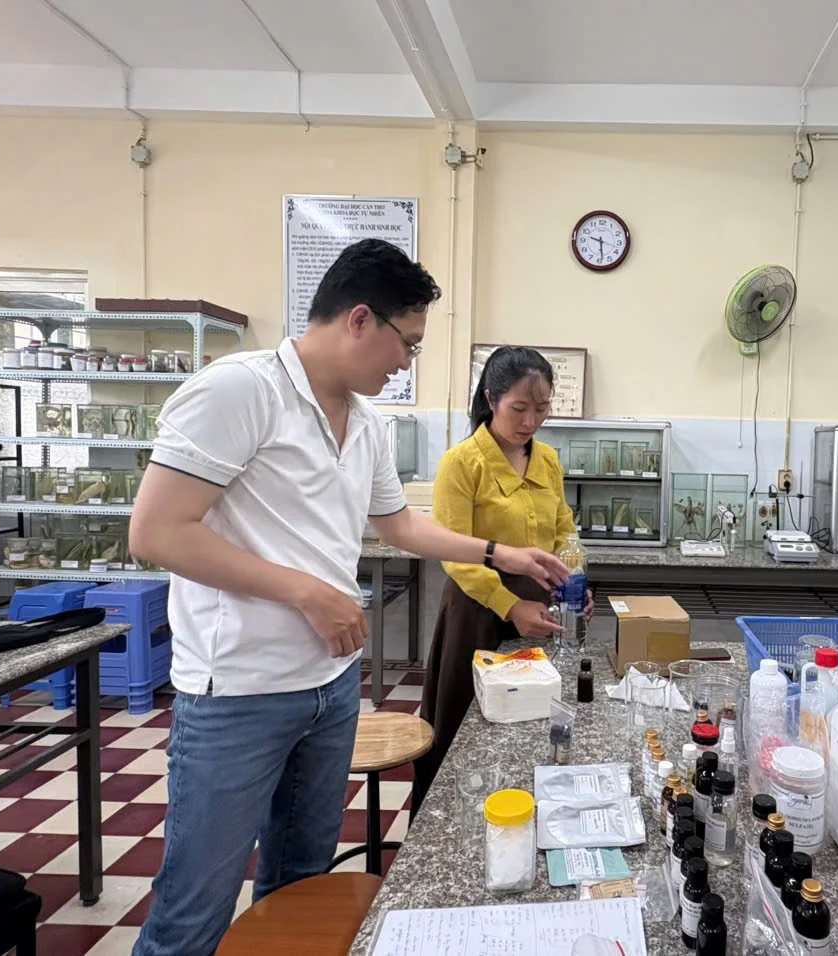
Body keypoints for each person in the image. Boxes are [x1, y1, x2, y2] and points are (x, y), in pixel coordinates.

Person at [128, 240, 567, 956]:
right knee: (194, 907)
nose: (408, 362)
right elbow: (156, 531)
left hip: (330, 689)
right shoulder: (242, 390)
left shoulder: (366, 421)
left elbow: (398, 525)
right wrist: (305, 591)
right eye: (409, 343)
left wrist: (499, 552)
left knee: (300, 886)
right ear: (360, 319)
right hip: (238, 691)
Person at [416, 347, 592, 795]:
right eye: (519, 408)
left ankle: (524, 802)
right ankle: (445, 822)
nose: (530, 421)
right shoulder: (462, 463)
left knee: (533, 713)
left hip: (541, 604)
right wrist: (511, 606)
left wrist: (574, 583)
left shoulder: (547, 460)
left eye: (541, 409)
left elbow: (563, 530)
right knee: (466, 720)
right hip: (477, 609)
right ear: (491, 400)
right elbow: (455, 554)